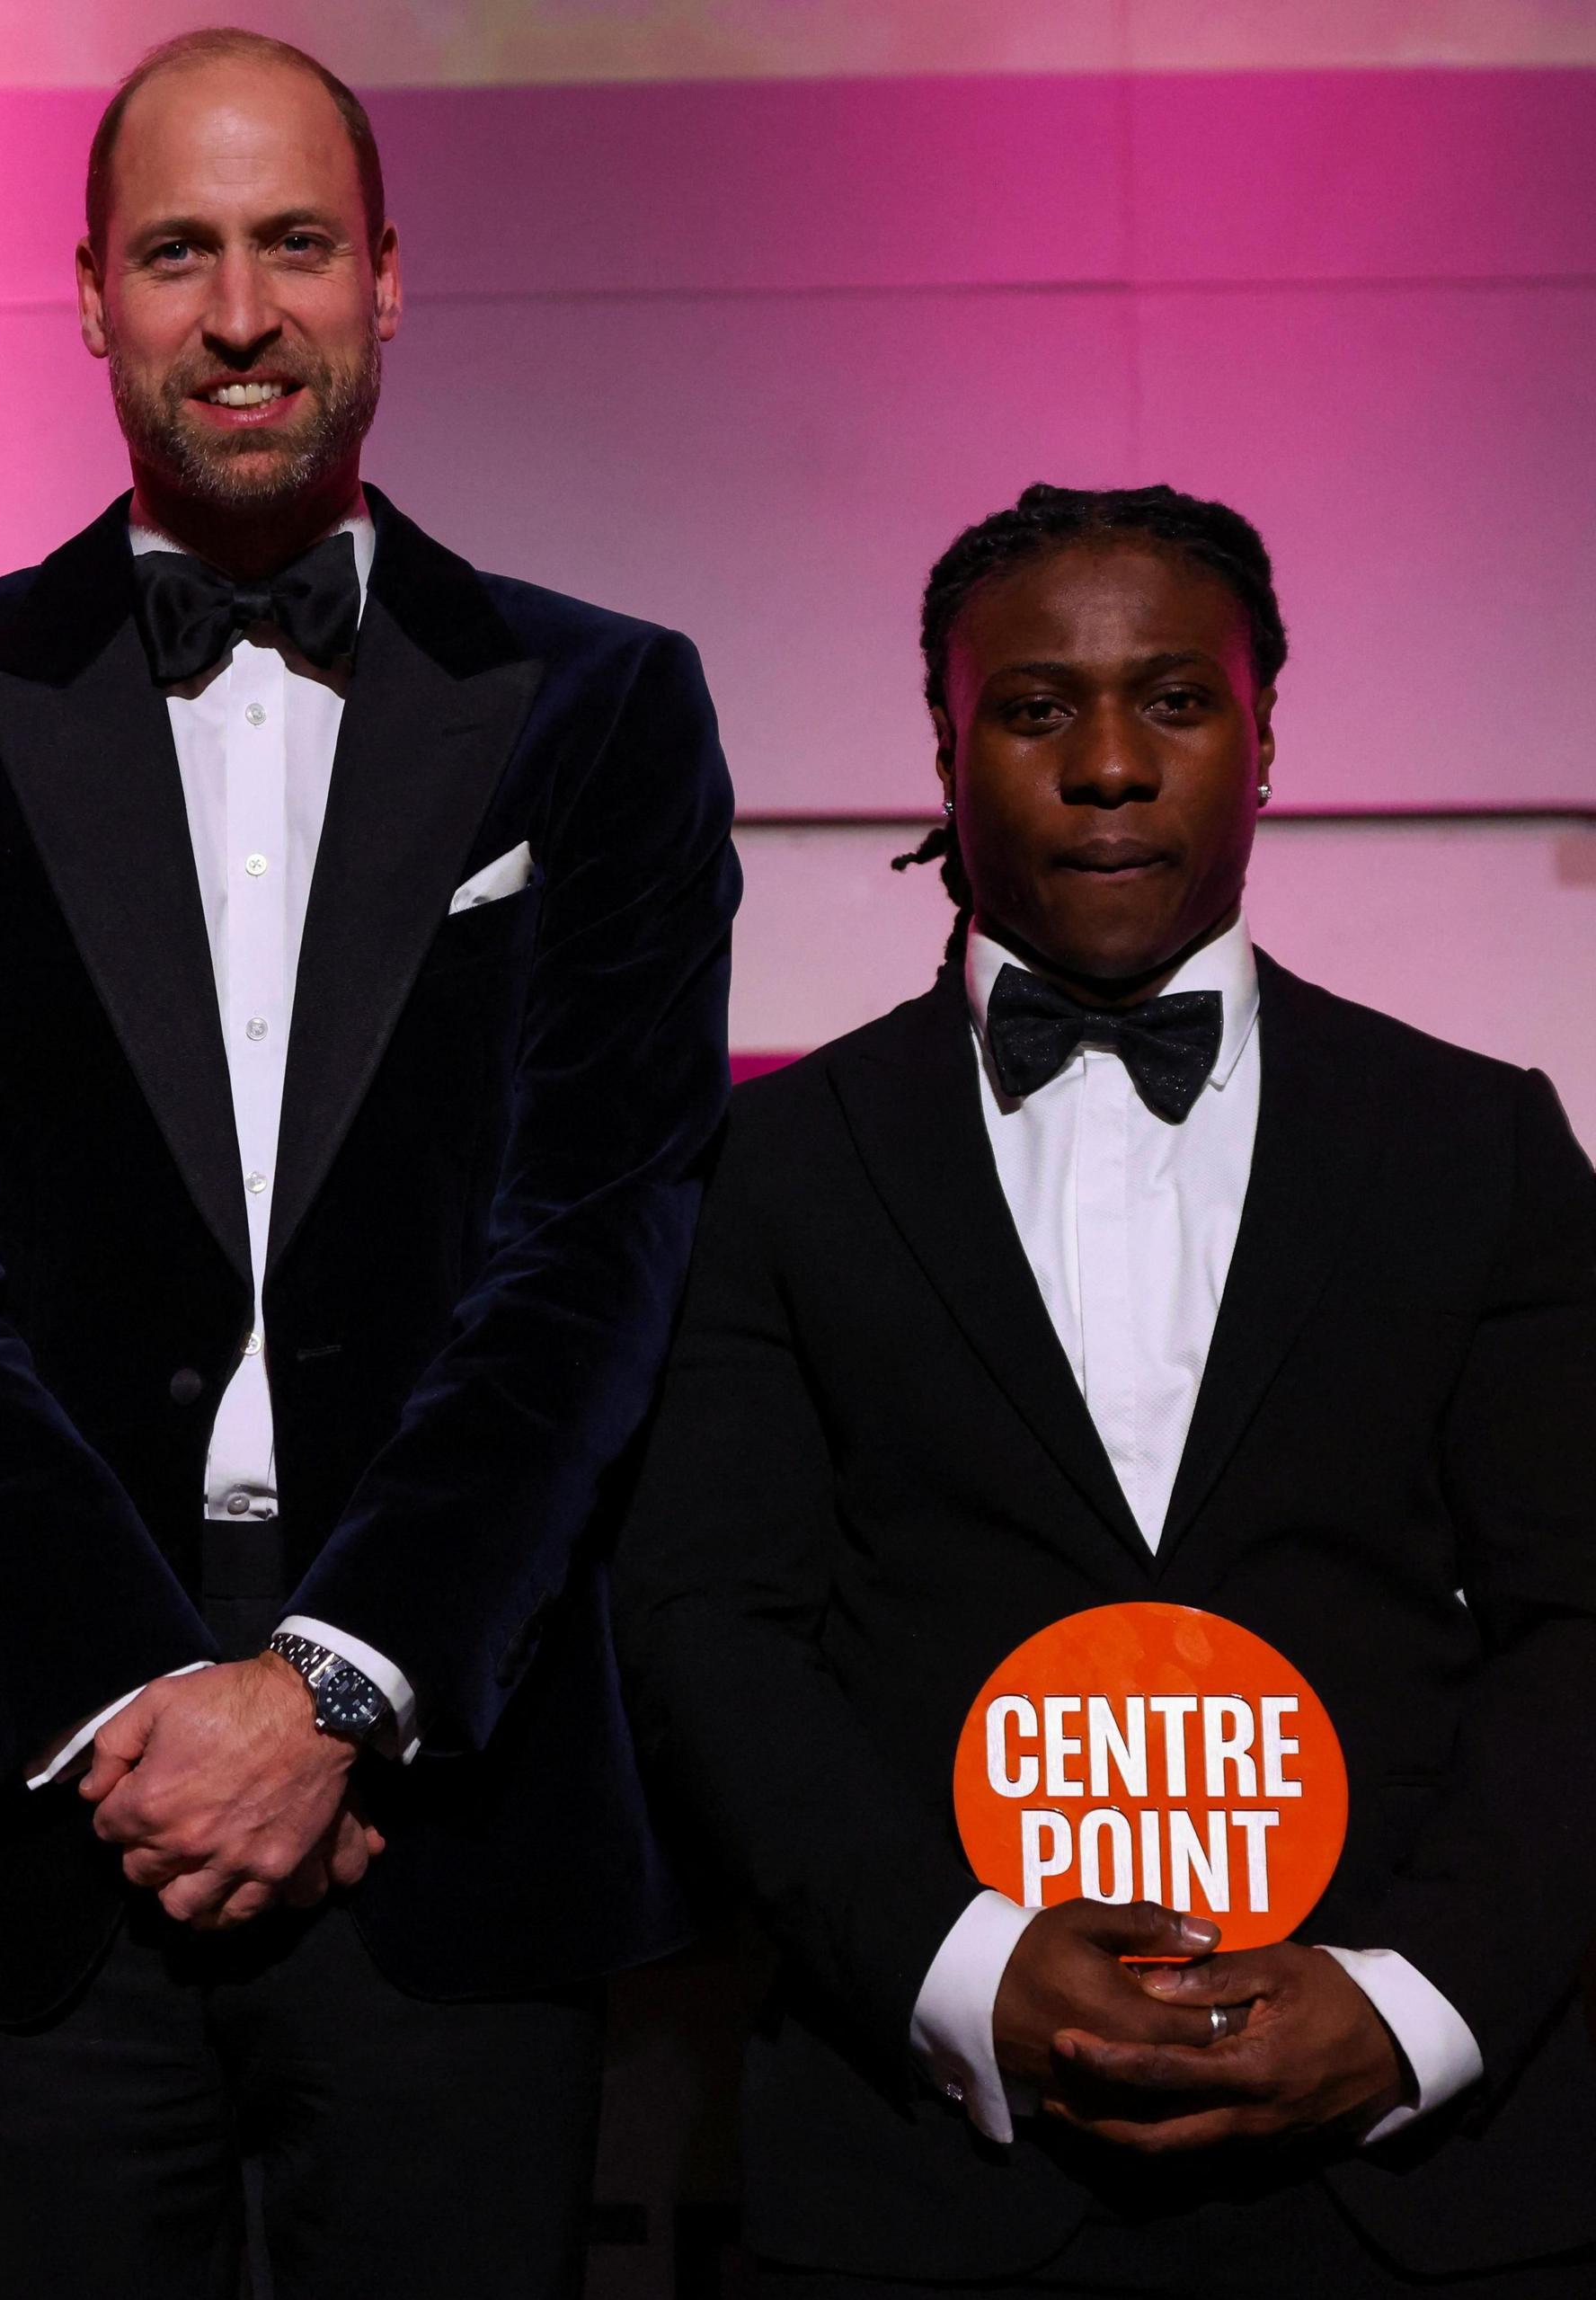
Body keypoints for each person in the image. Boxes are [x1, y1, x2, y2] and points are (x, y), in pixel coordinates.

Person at [0, 30, 738, 2297]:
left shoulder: (606, 708)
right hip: (45, 1780)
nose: (237, 310)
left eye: (293, 241)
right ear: (86, 296)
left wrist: (332, 1687)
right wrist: (134, 1706)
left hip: (448, 1762)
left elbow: (597, 1242)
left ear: (389, 279)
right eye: (176, 250)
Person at [611, 482, 1596, 2295]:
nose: (1112, 765)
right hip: (926, 2188)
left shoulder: (1483, 1144)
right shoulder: (773, 1165)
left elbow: (1579, 1620)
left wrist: (1406, 2006)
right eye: (1039, 706)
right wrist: (964, 1970)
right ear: (945, 739)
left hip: (1420, 2196)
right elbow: (706, 1626)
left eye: (1175, 696)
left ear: (1269, 732)